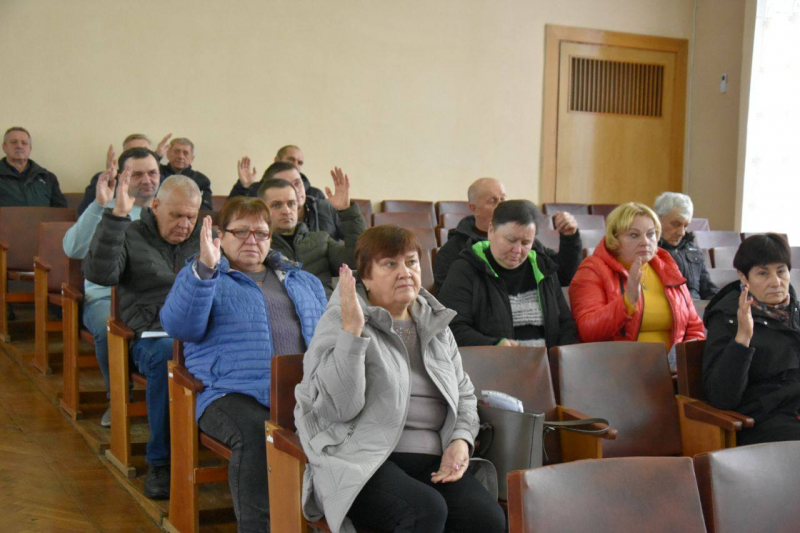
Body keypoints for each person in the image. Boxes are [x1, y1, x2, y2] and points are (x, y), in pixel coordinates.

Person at [295, 226, 505, 533]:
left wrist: (460, 440)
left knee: (487, 519)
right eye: (390, 264)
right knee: (424, 511)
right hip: (363, 459)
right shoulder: (341, 319)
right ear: (365, 278)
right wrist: (352, 334)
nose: (405, 272)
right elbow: (338, 408)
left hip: (432, 457)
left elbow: (464, 395)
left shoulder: (435, 323)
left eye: (411, 262)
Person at [161, 197, 327, 531]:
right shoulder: (203, 275)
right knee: (256, 435)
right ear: (221, 236)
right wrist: (205, 271)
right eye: (241, 231)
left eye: (261, 233)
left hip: (299, 394)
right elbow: (179, 327)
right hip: (227, 393)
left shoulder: (302, 281)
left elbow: (327, 339)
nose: (252, 240)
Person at [83, 174, 202, 499]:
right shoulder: (130, 233)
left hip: (199, 333)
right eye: (176, 215)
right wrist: (116, 217)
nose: (184, 224)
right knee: (167, 355)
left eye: (191, 217)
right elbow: (99, 274)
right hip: (151, 334)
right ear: (156, 205)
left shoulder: (206, 237)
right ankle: (161, 462)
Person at [63, 147, 160, 427]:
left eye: (152, 173)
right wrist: (98, 204)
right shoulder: (106, 208)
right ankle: (117, 398)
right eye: (137, 174)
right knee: (110, 329)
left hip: (151, 298)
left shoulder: (166, 211)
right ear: (123, 177)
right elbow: (73, 248)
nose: (147, 180)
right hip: (106, 297)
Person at [438, 200, 578, 348]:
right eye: (511, 240)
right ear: (491, 231)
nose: (517, 250)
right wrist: (495, 345)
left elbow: (565, 323)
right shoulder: (465, 269)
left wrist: (560, 356)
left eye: (526, 243)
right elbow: (452, 328)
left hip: (545, 360)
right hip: (494, 360)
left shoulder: (542, 267)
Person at [703, 233, 800, 445]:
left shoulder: (794, 311)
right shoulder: (728, 316)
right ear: (744, 277)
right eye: (763, 273)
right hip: (763, 418)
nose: (775, 282)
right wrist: (743, 338)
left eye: (781, 271)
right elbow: (722, 397)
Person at [569, 203, 705, 351]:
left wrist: (684, 356)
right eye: (634, 235)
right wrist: (627, 302)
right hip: (619, 362)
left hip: (672, 363)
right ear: (615, 239)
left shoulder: (666, 266)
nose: (645, 242)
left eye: (651, 234)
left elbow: (694, 327)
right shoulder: (593, 270)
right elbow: (587, 332)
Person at [433, 177, 581, 292]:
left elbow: (563, 275)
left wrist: (569, 238)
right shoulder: (453, 251)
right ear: (474, 208)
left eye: (503, 199)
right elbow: (448, 305)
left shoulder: (524, 241)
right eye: (493, 201)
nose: (501, 206)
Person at [258, 168, 364, 293]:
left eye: (291, 203)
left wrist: (347, 211)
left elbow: (356, 261)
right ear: (262, 210)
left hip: (325, 303)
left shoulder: (321, 240)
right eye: (276, 205)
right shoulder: (258, 247)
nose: (286, 211)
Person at [230, 160, 355, 240]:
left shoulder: (326, 207)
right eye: (285, 184)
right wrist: (244, 188)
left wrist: (346, 210)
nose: (295, 190)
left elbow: (357, 249)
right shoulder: (261, 220)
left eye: (297, 183)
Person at [76, 133, 172, 215]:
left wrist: (156, 159)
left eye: (144, 151)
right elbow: (83, 213)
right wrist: (109, 180)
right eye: (132, 151)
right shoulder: (106, 180)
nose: (147, 181)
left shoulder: (162, 179)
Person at [654, 192, 718, 300]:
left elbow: (708, 289)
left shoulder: (693, 250)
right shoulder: (648, 252)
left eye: (686, 226)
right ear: (657, 219)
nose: (682, 232)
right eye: (676, 224)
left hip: (695, 308)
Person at [0, 126, 66, 207]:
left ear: (30, 149)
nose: (19, 146)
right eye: (14, 142)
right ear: (4, 147)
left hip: (42, 216)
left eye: (24, 143)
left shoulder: (48, 177)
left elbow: (61, 210)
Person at [233, 144, 325, 200]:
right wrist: (244, 187)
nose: (295, 165)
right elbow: (232, 214)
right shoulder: (255, 190)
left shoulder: (315, 194)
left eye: (299, 163)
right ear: (276, 160)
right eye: (291, 160)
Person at [159, 137, 213, 210]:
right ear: (168, 154)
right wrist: (157, 156)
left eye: (186, 153)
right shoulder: (157, 173)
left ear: (192, 158)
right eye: (177, 152)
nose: (180, 156)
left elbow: (205, 209)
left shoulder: (202, 180)